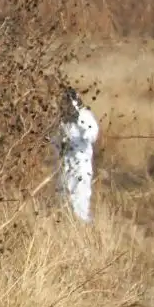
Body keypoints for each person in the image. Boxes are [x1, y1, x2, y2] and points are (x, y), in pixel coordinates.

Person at [53, 88, 99, 223]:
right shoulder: (61, 120)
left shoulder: (85, 116)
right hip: (65, 166)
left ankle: (83, 227)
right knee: (63, 199)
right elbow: (53, 141)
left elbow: (92, 134)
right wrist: (60, 145)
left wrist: (79, 121)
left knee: (80, 200)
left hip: (81, 166)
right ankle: (67, 227)